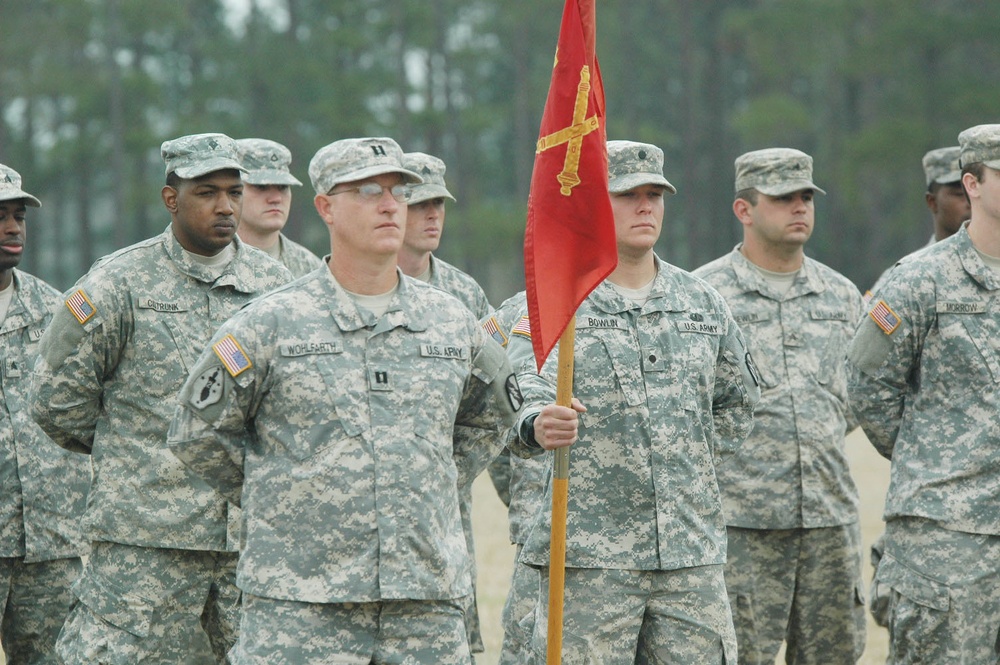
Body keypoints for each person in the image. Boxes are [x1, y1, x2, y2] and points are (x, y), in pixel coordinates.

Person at [166, 137, 521, 664]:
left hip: (423, 603)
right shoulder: (270, 323)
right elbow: (196, 434)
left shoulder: (452, 321)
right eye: (368, 190)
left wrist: (432, 479)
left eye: (399, 191)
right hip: (301, 605)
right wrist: (285, 497)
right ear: (326, 207)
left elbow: (491, 415)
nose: (389, 205)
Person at [30, 133, 292, 663]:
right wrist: (137, 455)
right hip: (143, 547)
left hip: (249, 543)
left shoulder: (276, 288)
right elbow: (55, 402)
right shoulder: (117, 284)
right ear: (171, 199)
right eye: (207, 192)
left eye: (235, 192)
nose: (225, 206)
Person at [503, 140, 760, 663]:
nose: (646, 206)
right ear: (592, 206)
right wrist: (538, 424)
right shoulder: (552, 300)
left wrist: (685, 464)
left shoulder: (702, 302)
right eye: (628, 195)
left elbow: (738, 402)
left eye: (655, 194)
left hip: (689, 560)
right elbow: (519, 401)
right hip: (588, 562)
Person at [693, 148, 866, 664]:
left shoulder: (840, 294)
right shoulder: (705, 297)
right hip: (742, 525)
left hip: (828, 519)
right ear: (744, 210)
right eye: (782, 198)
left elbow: (859, 394)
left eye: (806, 197)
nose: (799, 207)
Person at [846, 123, 1000, 663]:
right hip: (944, 537)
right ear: (972, 183)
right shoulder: (918, 281)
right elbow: (867, 385)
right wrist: (927, 450)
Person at [395, 149, 494, 656]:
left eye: (440, 205)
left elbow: (496, 401)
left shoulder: (463, 294)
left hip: (442, 511)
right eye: (420, 205)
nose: (434, 216)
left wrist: (448, 470)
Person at [866, 144, 969, 629]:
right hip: (935, 507)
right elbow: (871, 385)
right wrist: (925, 452)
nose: (967, 201)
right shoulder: (908, 280)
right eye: (955, 192)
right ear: (932, 201)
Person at [0, 164, 89, 663]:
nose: (13, 228)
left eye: (18, 216)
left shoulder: (57, 311)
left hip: (52, 545)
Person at [397, 151, 491, 319]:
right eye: (420, 204)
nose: (433, 214)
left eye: (438, 202)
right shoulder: (365, 285)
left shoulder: (465, 291)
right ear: (394, 208)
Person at [867, 146, 970, 297]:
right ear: (932, 202)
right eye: (959, 194)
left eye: (976, 191)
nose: (970, 201)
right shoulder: (905, 277)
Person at [236, 138, 322, 278]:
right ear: (232, 190)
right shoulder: (210, 261)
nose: (276, 198)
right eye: (261, 187)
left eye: (283, 187)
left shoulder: (312, 269)